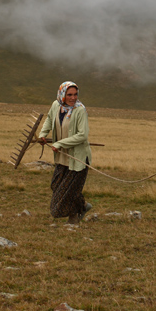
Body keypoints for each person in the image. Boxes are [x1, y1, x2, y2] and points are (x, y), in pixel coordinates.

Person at [37, 81, 93, 224]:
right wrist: (43, 134)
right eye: (69, 95)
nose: (73, 98)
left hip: (78, 158)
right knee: (56, 185)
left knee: (68, 191)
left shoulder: (80, 110)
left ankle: (73, 217)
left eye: (75, 94)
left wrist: (59, 143)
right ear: (62, 94)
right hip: (62, 156)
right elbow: (50, 119)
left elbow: (82, 135)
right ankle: (83, 206)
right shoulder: (56, 105)